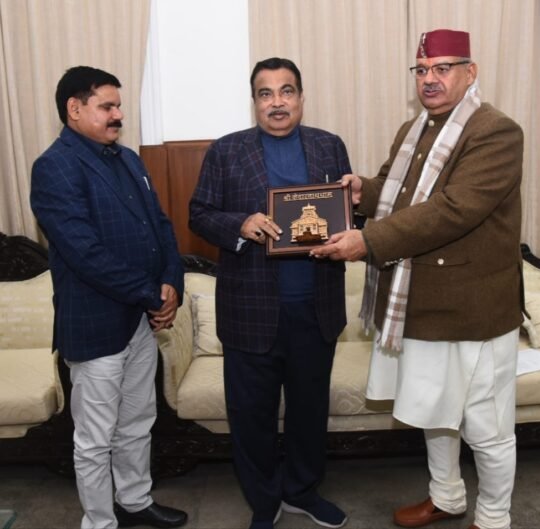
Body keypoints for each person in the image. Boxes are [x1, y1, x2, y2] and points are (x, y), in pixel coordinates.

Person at [311, 30, 524, 529]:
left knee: (487, 426)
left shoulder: (495, 131)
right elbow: (399, 191)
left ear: (470, 72)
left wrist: (369, 241)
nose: (430, 79)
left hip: (475, 310)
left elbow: (453, 209)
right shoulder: (415, 129)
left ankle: (494, 517)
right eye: (422, 69)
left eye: (443, 68)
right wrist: (362, 191)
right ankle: (446, 497)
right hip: (421, 305)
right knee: (435, 412)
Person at [189, 57, 351, 529]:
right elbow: (199, 214)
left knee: (308, 412)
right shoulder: (226, 151)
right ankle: (264, 501)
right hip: (250, 311)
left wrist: (352, 216)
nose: (277, 102)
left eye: (286, 91)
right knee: (251, 417)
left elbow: (347, 212)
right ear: (254, 101)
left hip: (316, 309)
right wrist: (239, 224)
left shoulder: (329, 146)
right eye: (266, 93)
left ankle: (301, 491)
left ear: (301, 97)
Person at [30, 66, 187, 529]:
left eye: (118, 105)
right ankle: (100, 522)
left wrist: (171, 283)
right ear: (74, 109)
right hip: (96, 326)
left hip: (140, 322)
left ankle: (135, 501)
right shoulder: (54, 166)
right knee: (95, 438)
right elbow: (85, 252)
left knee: (138, 421)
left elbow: (160, 227)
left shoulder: (129, 160)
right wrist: (151, 294)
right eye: (107, 106)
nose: (118, 114)